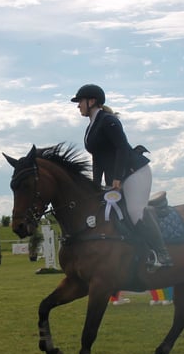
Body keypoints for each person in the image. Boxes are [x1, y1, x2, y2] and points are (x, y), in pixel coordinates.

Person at [71, 83, 172, 268]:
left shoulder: (108, 120)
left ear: (92, 101)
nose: (78, 105)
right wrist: (94, 186)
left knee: (134, 211)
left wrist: (116, 178)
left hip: (134, 173)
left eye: (80, 102)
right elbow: (98, 159)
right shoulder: (91, 127)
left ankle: (162, 254)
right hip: (118, 176)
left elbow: (122, 148)